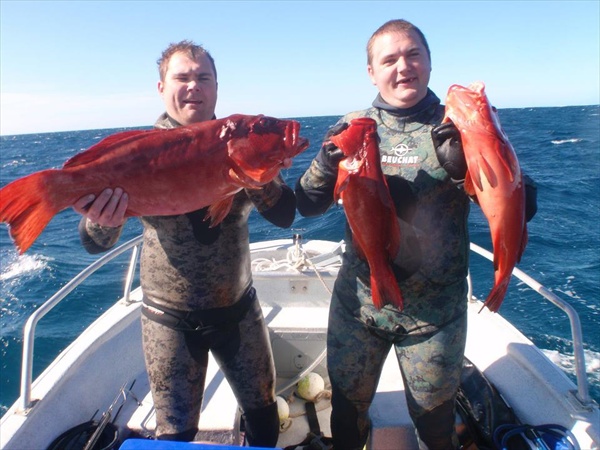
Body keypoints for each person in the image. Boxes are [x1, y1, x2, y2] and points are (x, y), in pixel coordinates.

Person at [295, 20, 537, 450]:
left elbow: (522, 202)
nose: (403, 66)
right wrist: (326, 162)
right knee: (348, 417)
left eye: (413, 55)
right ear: (372, 71)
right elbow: (308, 203)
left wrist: (465, 170)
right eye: (389, 59)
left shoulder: (460, 121)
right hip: (359, 310)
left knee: (435, 425)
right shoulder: (351, 124)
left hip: (435, 316)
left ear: (428, 61)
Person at [72, 40, 295, 446]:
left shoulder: (241, 139)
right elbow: (92, 242)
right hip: (168, 319)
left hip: (239, 311)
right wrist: (102, 221)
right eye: (182, 77)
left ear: (216, 88)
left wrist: (263, 174)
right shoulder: (140, 152)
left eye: (203, 77)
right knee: (175, 436)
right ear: (162, 87)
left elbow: (284, 215)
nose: (194, 86)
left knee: (263, 418)